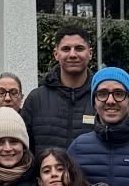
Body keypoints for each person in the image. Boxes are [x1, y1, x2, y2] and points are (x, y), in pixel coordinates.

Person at [21, 29, 95, 157]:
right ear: (56, 54)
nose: (72, 54)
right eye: (66, 49)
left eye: (79, 48)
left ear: (90, 53)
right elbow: (25, 151)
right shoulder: (36, 99)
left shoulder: (102, 99)